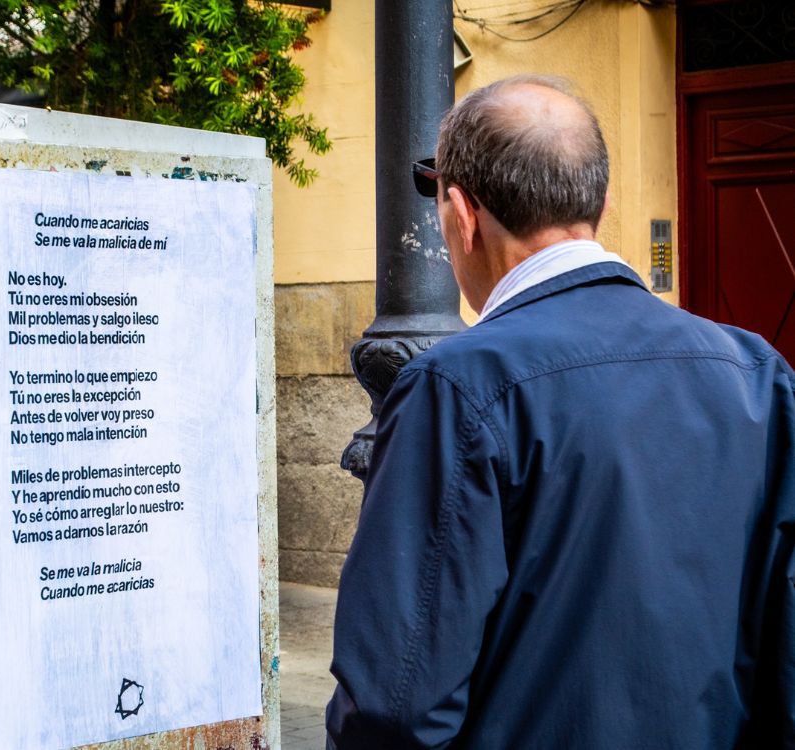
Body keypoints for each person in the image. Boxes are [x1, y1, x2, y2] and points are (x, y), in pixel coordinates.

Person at [325, 74, 795, 749]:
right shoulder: (755, 371)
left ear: (461, 213)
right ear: (598, 203)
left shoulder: (456, 387)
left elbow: (394, 705)